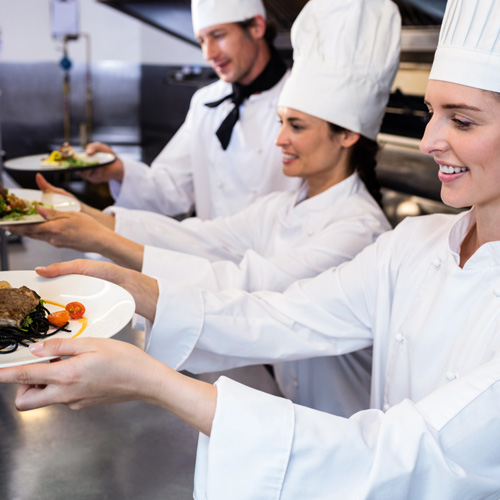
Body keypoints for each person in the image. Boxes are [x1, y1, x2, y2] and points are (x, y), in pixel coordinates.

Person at [5, 0, 500, 497]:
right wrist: (134, 284)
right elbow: (286, 313)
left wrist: (154, 382)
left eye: (462, 120)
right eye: (433, 113)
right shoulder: (414, 243)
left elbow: (407, 456)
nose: (427, 140)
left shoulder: (360, 228)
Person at [6, 0, 399, 417]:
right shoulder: (283, 206)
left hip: (343, 421)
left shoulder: (359, 230)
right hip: (274, 383)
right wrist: (88, 219)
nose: (279, 139)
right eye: (281, 121)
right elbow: (202, 238)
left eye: (295, 126)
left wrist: (108, 248)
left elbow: (252, 284)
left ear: (347, 136)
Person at [78, 0, 301, 219]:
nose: (208, 54)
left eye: (218, 36)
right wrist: (118, 170)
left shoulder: (303, 100)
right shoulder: (205, 102)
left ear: (256, 27)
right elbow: (172, 187)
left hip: (279, 254)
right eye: (202, 41)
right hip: (212, 252)